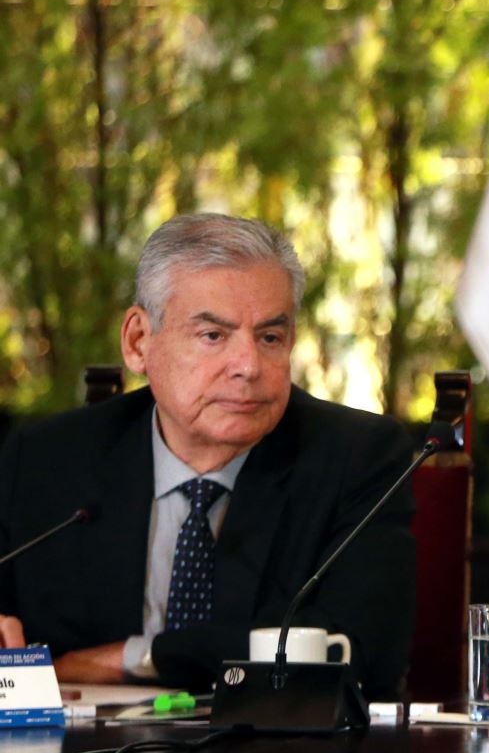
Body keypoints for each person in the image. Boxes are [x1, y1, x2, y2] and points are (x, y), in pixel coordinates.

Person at [0, 214, 416, 696]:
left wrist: (141, 657)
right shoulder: (48, 461)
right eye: (213, 336)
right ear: (138, 341)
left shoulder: (358, 458)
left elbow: (361, 650)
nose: (248, 366)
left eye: (270, 338)